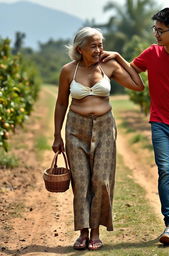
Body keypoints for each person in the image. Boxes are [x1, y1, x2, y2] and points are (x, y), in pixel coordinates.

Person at [101, 8, 169, 245]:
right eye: (155, 29)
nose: (156, 35)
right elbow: (131, 71)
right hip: (160, 123)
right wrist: (118, 58)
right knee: (165, 172)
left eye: (160, 31)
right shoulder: (152, 53)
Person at [51, 27, 144, 251]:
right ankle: (83, 233)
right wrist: (57, 135)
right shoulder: (68, 71)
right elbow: (62, 102)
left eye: (100, 44)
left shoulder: (109, 66)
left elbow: (138, 86)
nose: (99, 49)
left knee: (101, 181)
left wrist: (120, 57)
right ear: (80, 49)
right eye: (93, 45)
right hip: (75, 129)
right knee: (81, 182)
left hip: (104, 128)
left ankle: (96, 232)